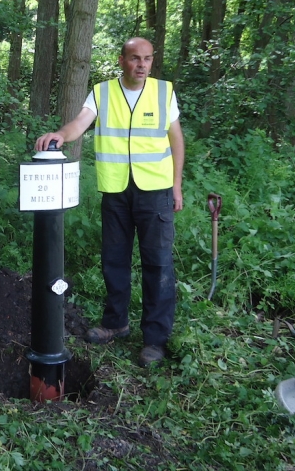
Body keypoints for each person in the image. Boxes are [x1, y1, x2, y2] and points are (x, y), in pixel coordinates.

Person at [35, 37, 184, 367]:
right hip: (116, 191)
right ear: (122, 60)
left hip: (155, 192)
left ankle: (155, 340)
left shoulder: (164, 92)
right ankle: (115, 322)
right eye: (134, 58)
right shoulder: (102, 92)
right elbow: (80, 122)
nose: (141, 65)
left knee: (157, 265)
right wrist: (60, 135)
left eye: (147, 58)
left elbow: (176, 140)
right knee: (114, 260)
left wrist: (176, 186)